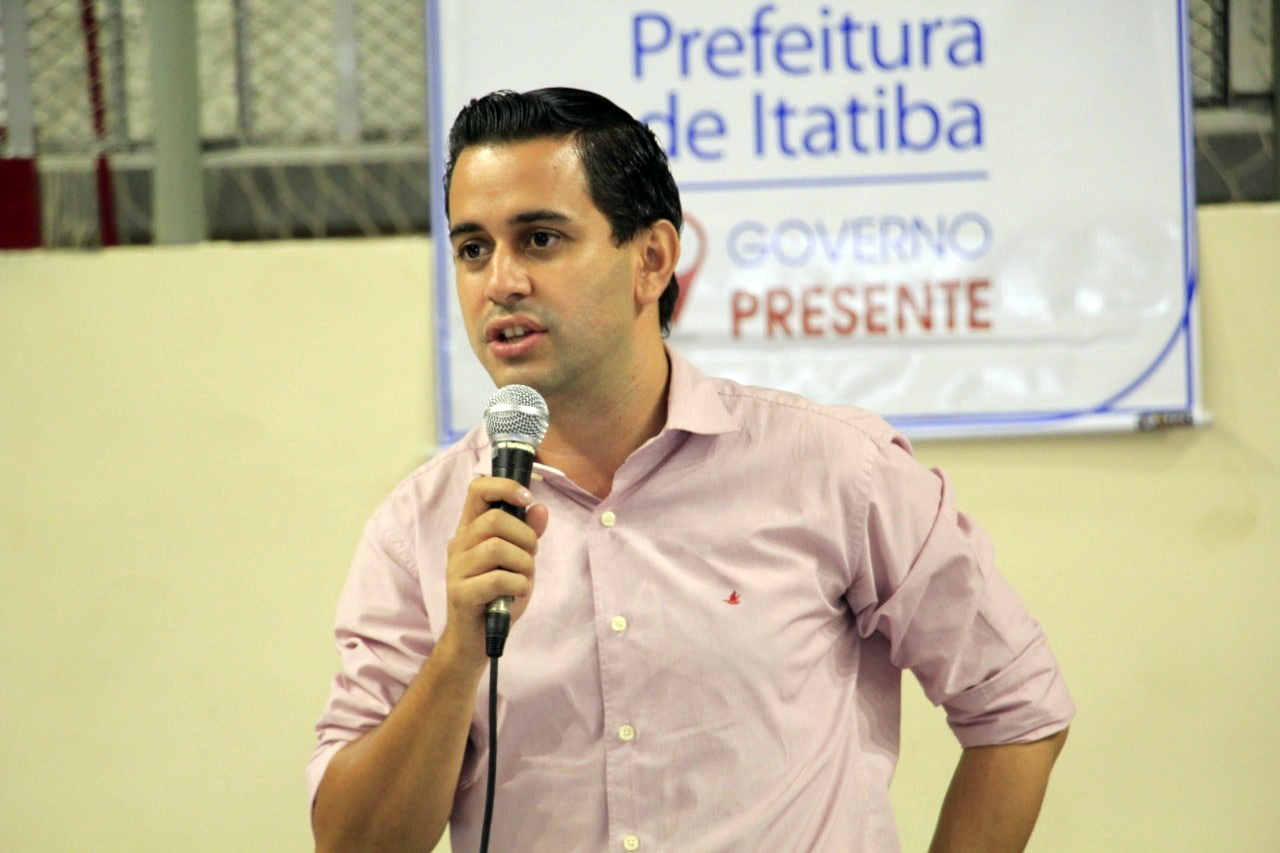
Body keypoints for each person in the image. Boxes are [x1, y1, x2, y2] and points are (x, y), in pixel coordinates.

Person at [308, 87, 1073, 852]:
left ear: (651, 260)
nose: (500, 281)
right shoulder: (420, 527)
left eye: (539, 239)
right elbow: (352, 843)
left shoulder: (836, 468)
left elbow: (1018, 706)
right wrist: (456, 656)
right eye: (473, 249)